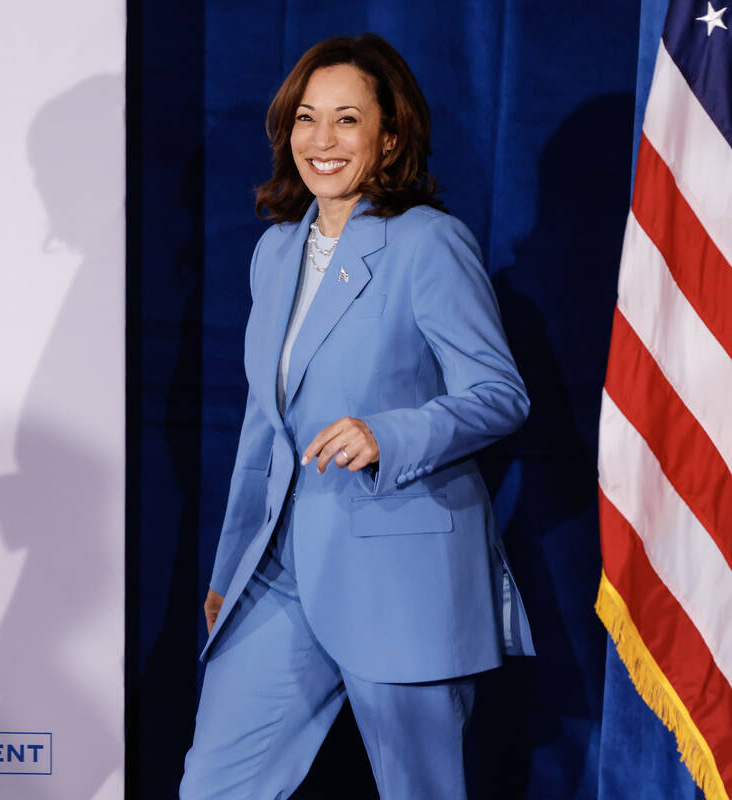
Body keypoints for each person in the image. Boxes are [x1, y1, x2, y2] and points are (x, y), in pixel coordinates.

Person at [179, 33, 533, 800]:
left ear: (391, 135)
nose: (322, 141)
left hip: (398, 571)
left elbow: (500, 394)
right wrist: (229, 566)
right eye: (307, 119)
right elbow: (261, 431)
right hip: (277, 576)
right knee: (212, 785)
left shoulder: (428, 244)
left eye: (346, 119)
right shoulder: (274, 253)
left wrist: (388, 433)